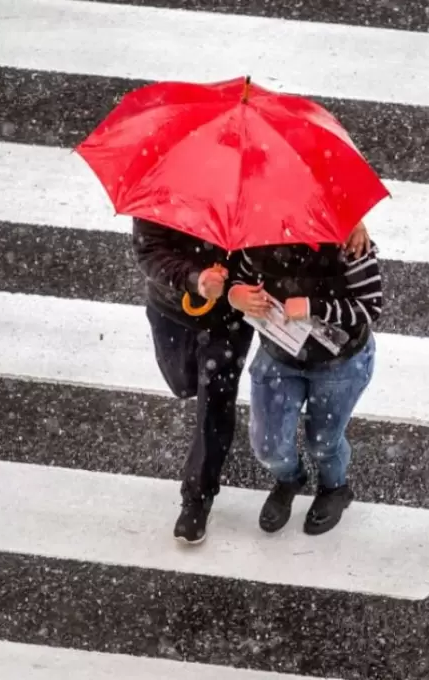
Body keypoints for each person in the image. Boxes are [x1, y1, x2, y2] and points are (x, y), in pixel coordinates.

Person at [133, 217, 372, 544]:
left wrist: (351, 221)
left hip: (261, 332)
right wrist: (207, 283)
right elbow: (151, 252)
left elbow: (369, 303)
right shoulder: (166, 183)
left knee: (222, 400)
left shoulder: (281, 211)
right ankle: (288, 477)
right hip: (190, 314)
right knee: (195, 392)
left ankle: (200, 497)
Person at [228, 233, 382, 536]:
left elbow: (370, 307)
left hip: (339, 362)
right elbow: (239, 279)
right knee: (268, 445)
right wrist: (237, 295)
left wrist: (314, 306)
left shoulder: (347, 239)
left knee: (324, 441)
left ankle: (334, 487)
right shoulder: (256, 235)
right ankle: (290, 478)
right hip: (279, 354)